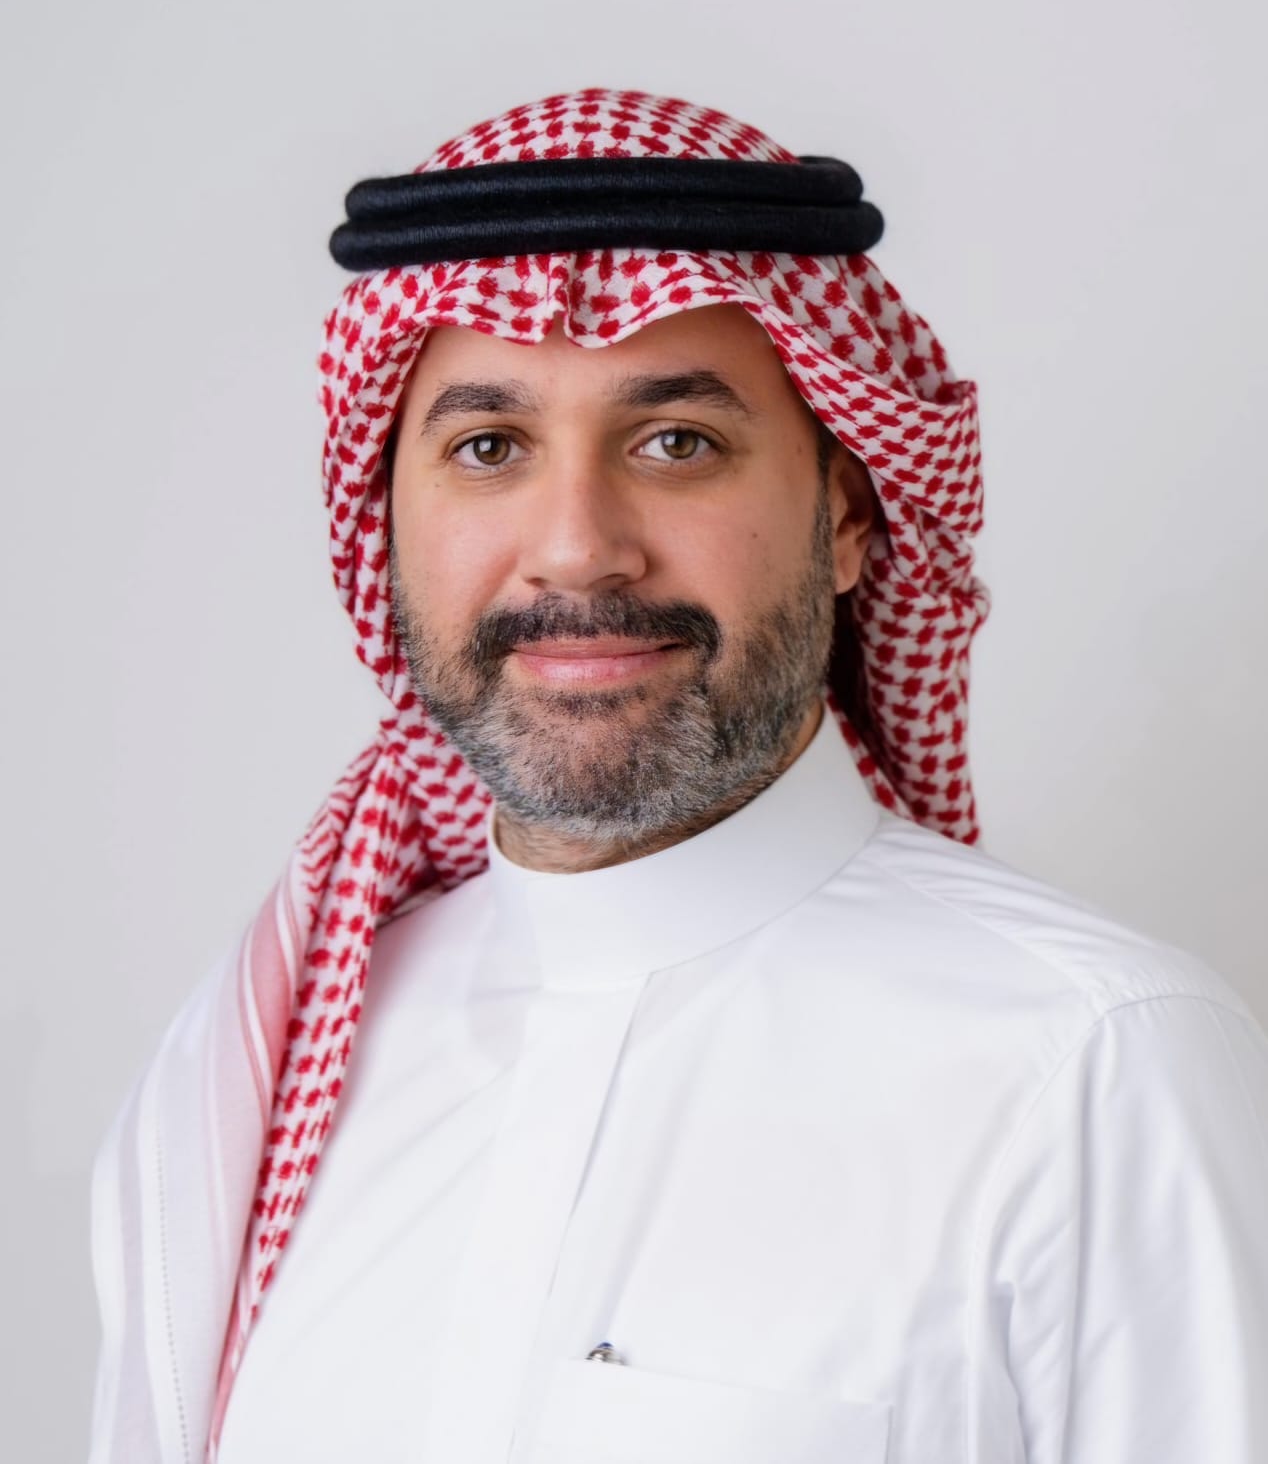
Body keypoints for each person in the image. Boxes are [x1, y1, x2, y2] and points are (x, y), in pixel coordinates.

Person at [88, 89, 1268, 1464]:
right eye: (488, 448)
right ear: (385, 517)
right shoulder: (258, 1086)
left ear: (845, 513)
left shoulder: (1094, 1063)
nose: (579, 550)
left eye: (678, 443)